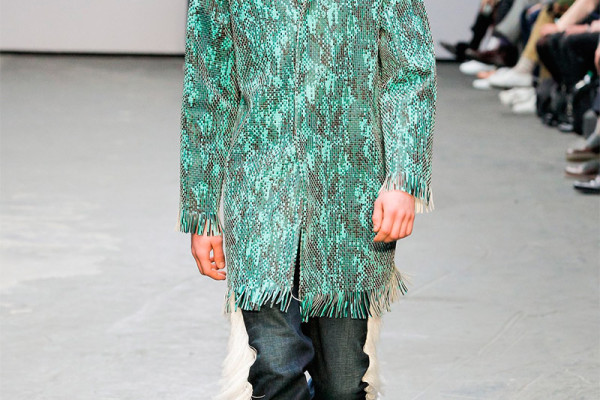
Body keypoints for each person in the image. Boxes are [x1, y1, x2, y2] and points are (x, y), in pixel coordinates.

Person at [177, 0, 437, 398]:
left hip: (350, 199)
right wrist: (201, 210)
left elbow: (410, 71)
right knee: (276, 365)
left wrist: (403, 179)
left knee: (343, 384)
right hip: (260, 197)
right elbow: (208, 91)